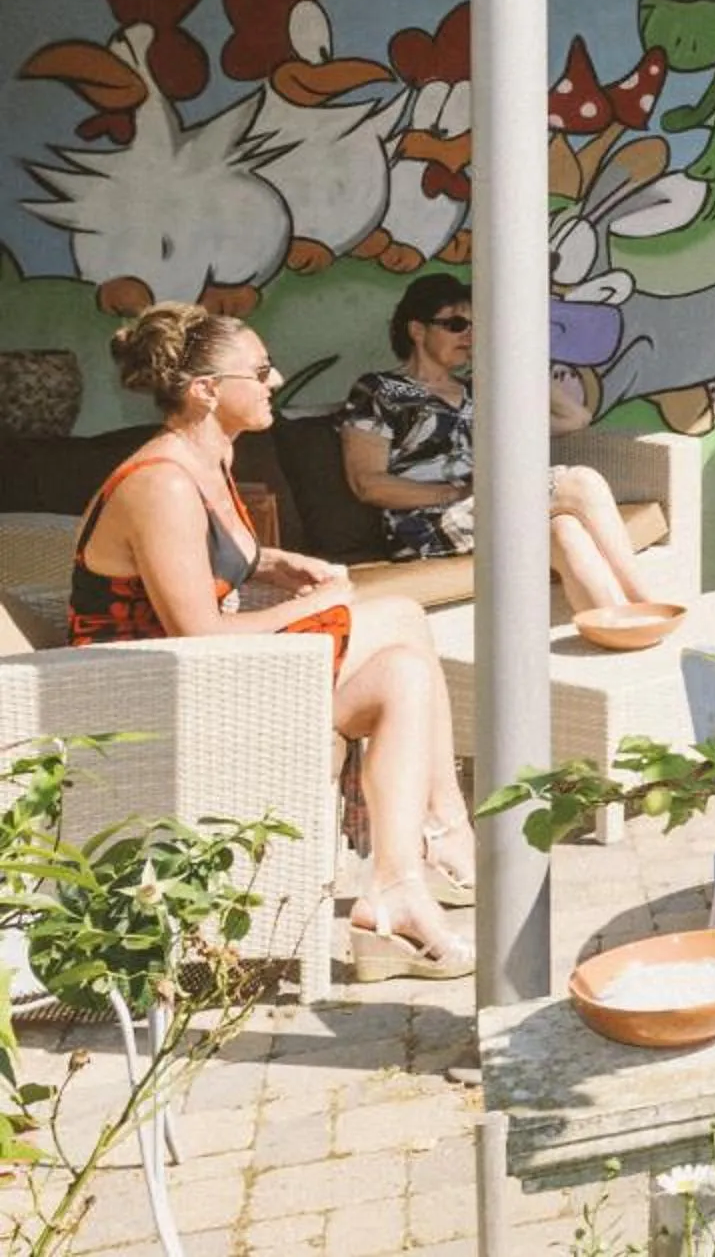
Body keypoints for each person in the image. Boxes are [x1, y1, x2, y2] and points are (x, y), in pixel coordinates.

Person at [73, 304, 476, 982]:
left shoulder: (206, 458)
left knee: (403, 669)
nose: (276, 379)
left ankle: (397, 889)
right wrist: (320, 601)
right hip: (143, 705)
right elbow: (198, 634)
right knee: (399, 615)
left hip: (187, 679)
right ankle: (445, 835)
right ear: (205, 390)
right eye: (259, 371)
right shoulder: (163, 482)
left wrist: (273, 563)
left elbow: (199, 559)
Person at [339, 274, 651, 616]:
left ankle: (617, 633)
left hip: (486, 508)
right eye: (457, 325)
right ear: (417, 330)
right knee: (581, 482)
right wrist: (457, 493)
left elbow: (574, 418)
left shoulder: (478, 389)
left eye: (475, 327)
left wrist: (511, 359)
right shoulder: (382, 390)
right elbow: (366, 484)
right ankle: (647, 605)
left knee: (565, 532)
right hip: (428, 522)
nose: (469, 336)